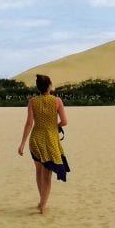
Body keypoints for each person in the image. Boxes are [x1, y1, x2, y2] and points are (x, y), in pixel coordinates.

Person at [17, 74, 69, 214]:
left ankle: (41, 201)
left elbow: (29, 123)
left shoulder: (32, 101)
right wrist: (55, 125)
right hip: (50, 140)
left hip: (36, 139)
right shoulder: (57, 101)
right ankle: (43, 206)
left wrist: (22, 143)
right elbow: (64, 122)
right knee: (47, 175)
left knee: (39, 171)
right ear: (49, 86)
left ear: (39, 87)